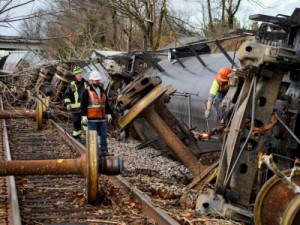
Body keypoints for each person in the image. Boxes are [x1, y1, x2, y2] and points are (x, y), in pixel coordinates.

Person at [80, 70, 112, 156]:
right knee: (92, 138)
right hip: (91, 119)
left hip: (101, 118)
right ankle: (93, 153)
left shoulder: (102, 90)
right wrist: (83, 116)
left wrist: (108, 113)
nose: (97, 81)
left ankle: (104, 151)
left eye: (98, 80)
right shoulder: (86, 91)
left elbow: (106, 103)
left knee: (104, 135)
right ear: (91, 80)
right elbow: (83, 104)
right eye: (96, 80)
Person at [64, 66, 89, 138]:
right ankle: (77, 134)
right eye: (78, 73)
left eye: (80, 73)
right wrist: (68, 103)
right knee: (76, 122)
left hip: (85, 107)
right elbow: (67, 94)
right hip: (75, 108)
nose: (80, 74)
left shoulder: (86, 83)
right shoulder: (72, 84)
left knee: (85, 122)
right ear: (75, 75)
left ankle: (88, 136)